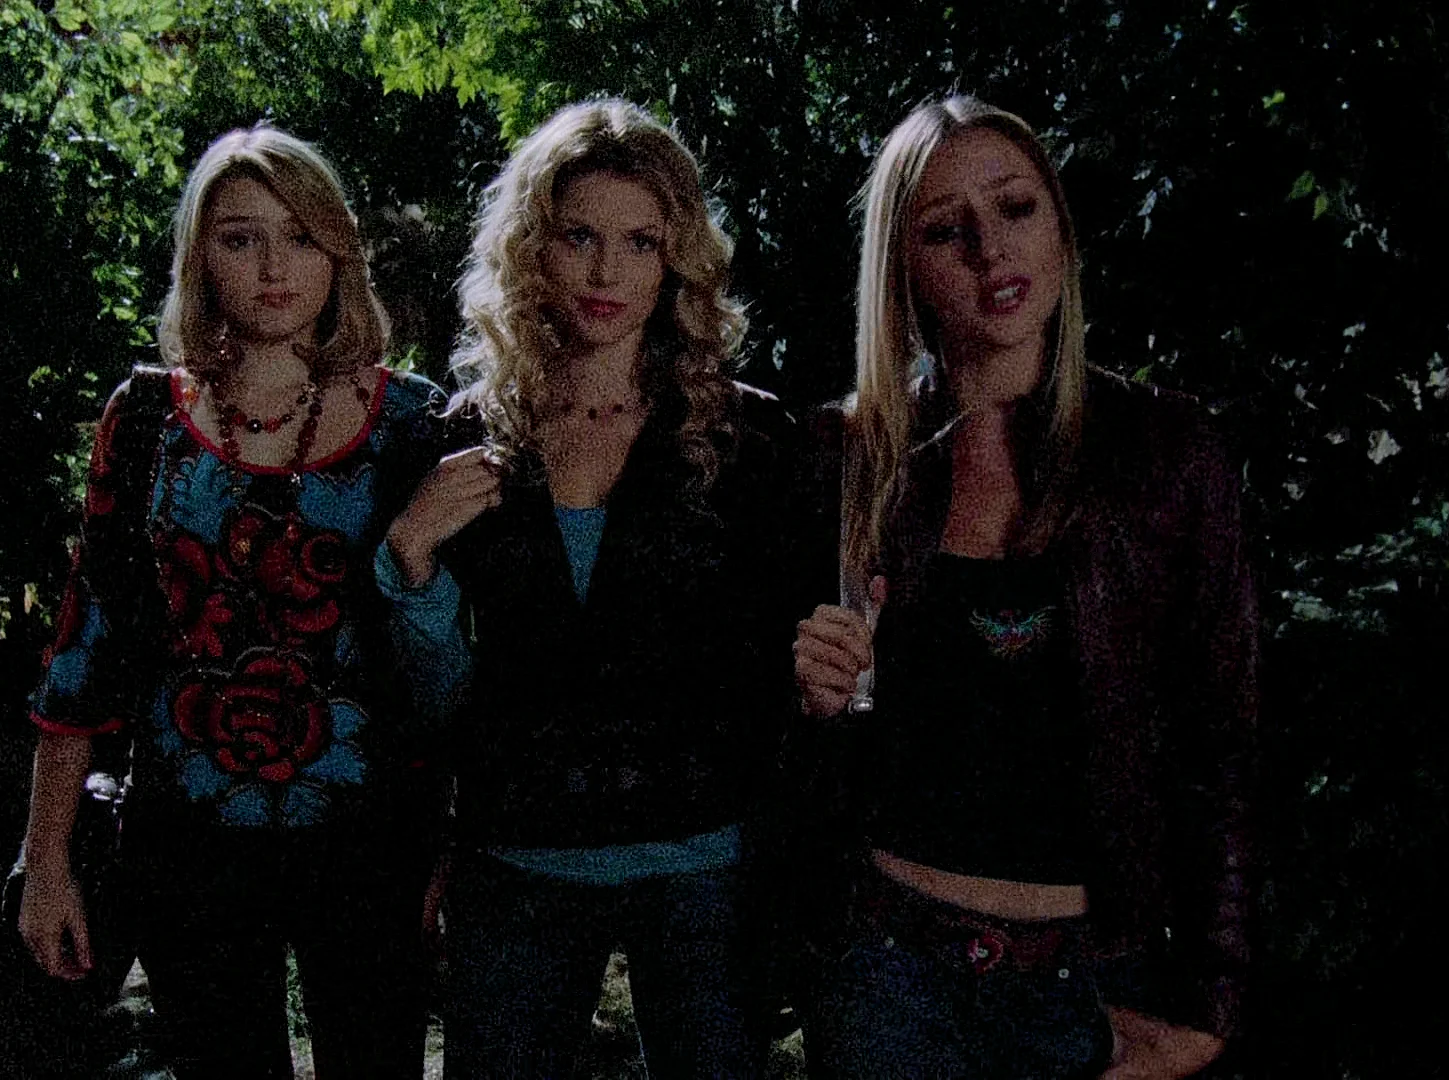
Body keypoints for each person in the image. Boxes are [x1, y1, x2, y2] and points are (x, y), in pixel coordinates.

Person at [790, 95, 1257, 1079]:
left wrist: (1211, 1001)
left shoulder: (1169, 454)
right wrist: (814, 698)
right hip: (886, 973)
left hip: (1093, 980)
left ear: (1060, 227)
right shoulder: (846, 453)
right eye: (944, 230)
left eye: (1015, 208)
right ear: (901, 268)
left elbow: (1222, 742)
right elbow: (795, 737)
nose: (990, 250)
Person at [378, 98, 806, 1079]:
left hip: (704, 865)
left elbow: (784, 689)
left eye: (640, 241)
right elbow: (441, 702)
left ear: (677, 257)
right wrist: (410, 555)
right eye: (579, 236)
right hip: (518, 863)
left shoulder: (747, 439)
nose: (607, 273)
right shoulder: (465, 438)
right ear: (531, 246)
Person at [16, 125, 445, 1079]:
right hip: (188, 845)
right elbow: (85, 646)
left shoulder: (417, 423)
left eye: (300, 237)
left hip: (371, 842)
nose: (274, 267)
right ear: (200, 256)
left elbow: (453, 660)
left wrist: (457, 845)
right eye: (241, 238)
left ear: (339, 251)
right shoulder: (143, 421)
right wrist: (46, 860)